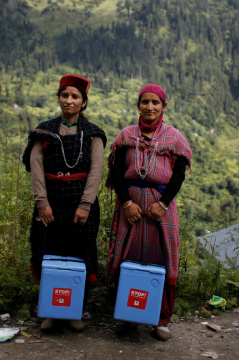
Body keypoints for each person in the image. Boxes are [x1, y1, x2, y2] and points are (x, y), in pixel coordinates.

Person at [22, 74, 107, 332]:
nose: (69, 100)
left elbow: (96, 170)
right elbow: (36, 168)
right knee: (49, 253)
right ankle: (50, 311)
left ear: (84, 102)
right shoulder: (43, 131)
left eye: (75, 96)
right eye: (64, 95)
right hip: (51, 202)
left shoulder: (93, 134)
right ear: (59, 98)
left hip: (81, 202)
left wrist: (85, 204)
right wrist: (42, 202)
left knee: (79, 255)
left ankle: (74, 312)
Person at [107, 84, 192, 341]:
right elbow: (118, 173)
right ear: (138, 105)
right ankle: (128, 315)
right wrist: (126, 203)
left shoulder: (174, 138)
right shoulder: (126, 136)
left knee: (163, 258)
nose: (150, 107)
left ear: (164, 107)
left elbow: (178, 175)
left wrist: (163, 204)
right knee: (129, 256)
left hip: (161, 206)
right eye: (145, 102)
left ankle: (161, 318)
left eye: (156, 102)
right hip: (130, 205)